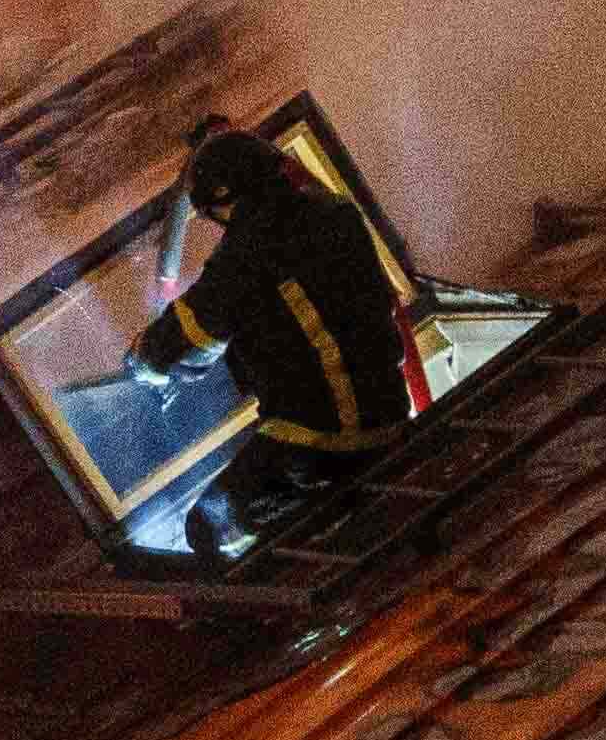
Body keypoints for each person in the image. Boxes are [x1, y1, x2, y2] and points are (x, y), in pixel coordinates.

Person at [129, 104, 431, 546]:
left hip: (317, 442)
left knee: (208, 528)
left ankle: (306, 556)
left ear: (222, 204)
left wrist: (143, 364)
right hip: (390, 417)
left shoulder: (246, 251)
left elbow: (184, 337)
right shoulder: (338, 214)